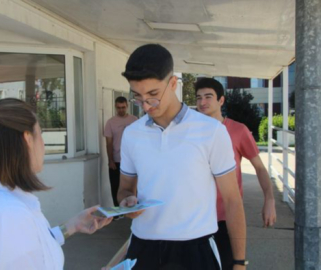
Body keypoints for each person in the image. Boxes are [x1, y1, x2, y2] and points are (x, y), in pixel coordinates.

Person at [117, 44, 247, 270]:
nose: (146, 105)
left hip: (195, 250)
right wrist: (126, 201)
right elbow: (125, 188)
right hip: (143, 247)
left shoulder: (211, 131)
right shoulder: (132, 134)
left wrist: (239, 262)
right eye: (138, 97)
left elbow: (232, 200)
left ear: (173, 83)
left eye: (153, 95)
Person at [0, 98, 112, 270]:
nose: (43, 145)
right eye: (40, 133)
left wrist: (73, 225)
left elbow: (32, 248)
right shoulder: (9, 214)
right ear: (27, 139)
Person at [195, 77, 277, 269]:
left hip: (226, 217)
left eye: (208, 96)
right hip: (196, 217)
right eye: (198, 97)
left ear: (221, 101)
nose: (202, 102)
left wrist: (270, 200)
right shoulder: (190, 132)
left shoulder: (238, 130)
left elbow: (259, 168)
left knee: (229, 264)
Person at [104, 96, 137, 208]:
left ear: (127, 106)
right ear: (115, 107)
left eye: (123, 107)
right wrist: (111, 160)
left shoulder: (134, 120)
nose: (121, 110)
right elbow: (108, 143)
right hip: (116, 161)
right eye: (118, 108)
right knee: (115, 186)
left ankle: (132, 208)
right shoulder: (110, 122)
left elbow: (139, 140)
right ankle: (118, 211)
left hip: (131, 160)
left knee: (133, 186)